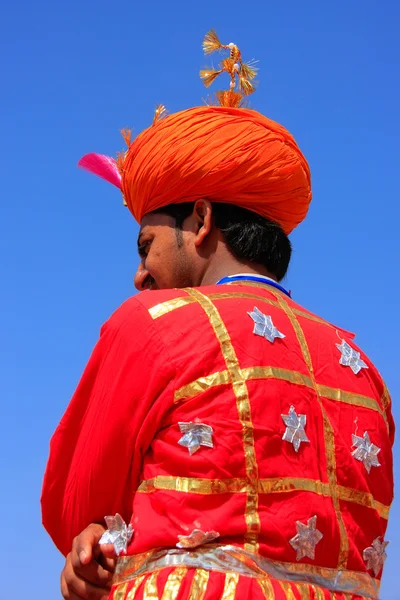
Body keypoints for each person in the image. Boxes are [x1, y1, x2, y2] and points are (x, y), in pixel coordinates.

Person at [42, 31, 394, 600]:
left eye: (146, 245)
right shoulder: (364, 369)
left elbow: (80, 505)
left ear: (201, 220)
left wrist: (89, 546)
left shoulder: (156, 323)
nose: (141, 274)